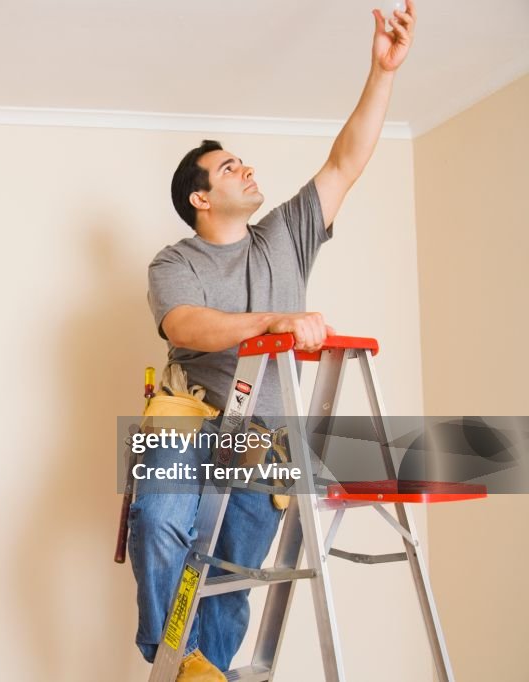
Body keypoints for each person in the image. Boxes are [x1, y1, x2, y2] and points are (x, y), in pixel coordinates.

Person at [128, 3, 418, 680]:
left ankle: (208, 673)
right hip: (190, 416)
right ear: (200, 197)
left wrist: (382, 72)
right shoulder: (174, 264)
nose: (246, 169)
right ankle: (180, 662)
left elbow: (346, 163)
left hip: (263, 434)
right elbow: (184, 327)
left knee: (232, 569)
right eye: (229, 167)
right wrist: (272, 322)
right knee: (159, 522)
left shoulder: (286, 235)